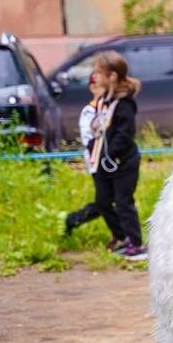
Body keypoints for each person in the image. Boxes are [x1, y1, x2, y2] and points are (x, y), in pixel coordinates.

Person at [87, 51, 146, 261]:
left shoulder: (124, 105)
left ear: (112, 76)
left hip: (123, 162)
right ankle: (122, 237)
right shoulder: (106, 100)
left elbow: (124, 135)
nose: (95, 77)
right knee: (103, 201)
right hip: (105, 162)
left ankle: (136, 243)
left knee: (123, 202)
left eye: (99, 73)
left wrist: (110, 154)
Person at [63, 80, 104, 237]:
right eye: (100, 86)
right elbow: (89, 140)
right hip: (97, 163)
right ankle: (73, 220)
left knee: (111, 202)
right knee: (104, 203)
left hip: (109, 162)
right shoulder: (89, 111)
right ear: (93, 88)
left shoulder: (107, 107)